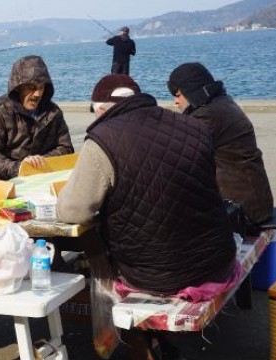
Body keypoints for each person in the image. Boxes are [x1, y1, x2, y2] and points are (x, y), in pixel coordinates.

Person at [57, 74, 238, 359]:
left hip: (162, 276)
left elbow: (72, 211)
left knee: (100, 251)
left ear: (101, 109)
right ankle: (156, 343)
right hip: (218, 260)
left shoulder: (104, 140)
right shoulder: (193, 125)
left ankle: (140, 347)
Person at [167, 62, 273, 225]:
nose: (175, 101)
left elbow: (177, 154)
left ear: (192, 91)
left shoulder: (208, 115)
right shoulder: (222, 103)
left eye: (179, 94)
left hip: (241, 210)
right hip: (253, 201)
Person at [0, 55, 74, 180]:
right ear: (18, 88)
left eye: (41, 87)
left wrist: (40, 162)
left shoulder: (53, 113)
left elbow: (66, 148)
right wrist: (20, 167)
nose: (37, 94)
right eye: (31, 88)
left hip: (34, 178)